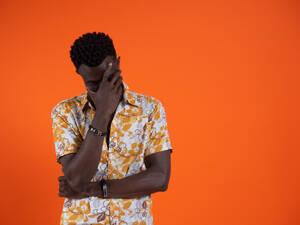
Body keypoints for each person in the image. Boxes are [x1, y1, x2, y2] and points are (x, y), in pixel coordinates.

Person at [51, 32, 173, 225]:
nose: (103, 90)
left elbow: (160, 178)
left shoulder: (150, 108)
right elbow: (76, 180)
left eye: (107, 79)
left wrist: (95, 189)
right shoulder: (65, 112)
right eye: (93, 84)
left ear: (117, 63)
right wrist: (102, 114)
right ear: (79, 74)